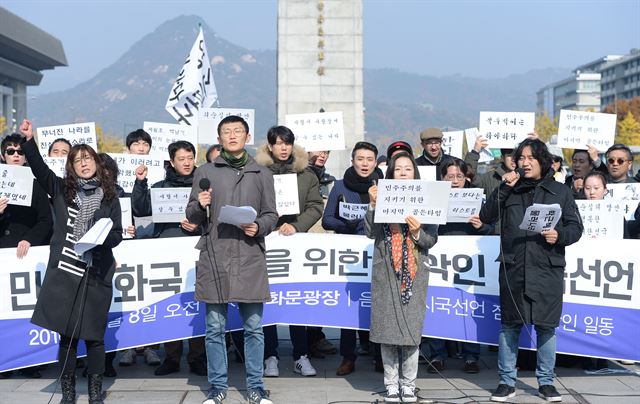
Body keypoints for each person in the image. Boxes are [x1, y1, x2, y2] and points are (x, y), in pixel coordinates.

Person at [20, 119, 123, 404]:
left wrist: (100, 239)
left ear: (96, 163)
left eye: (87, 158)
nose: (83, 164)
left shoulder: (110, 196)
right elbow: (40, 170)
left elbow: (116, 234)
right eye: (77, 161)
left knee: (95, 336)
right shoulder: (62, 191)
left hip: (97, 271)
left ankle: (94, 393)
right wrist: (29, 142)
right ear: (71, 167)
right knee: (68, 335)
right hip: (67, 271)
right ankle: (67, 392)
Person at [480, 138, 583, 403]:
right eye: (521, 158)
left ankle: (546, 382)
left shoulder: (560, 191)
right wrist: (503, 189)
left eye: (530, 158)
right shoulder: (510, 189)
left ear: (543, 161)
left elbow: (576, 228)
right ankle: (506, 382)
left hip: (547, 268)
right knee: (509, 327)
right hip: (514, 267)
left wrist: (559, 235)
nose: (525, 163)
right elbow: (487, 216)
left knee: (546, 328)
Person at [186, 115, 277, 404]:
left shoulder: (261, 173)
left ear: (247, 136)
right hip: (216, 253)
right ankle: (217, 387)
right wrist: (200, 206)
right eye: (227, 132)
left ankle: (255, 386)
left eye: (238, 131)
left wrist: (259, 227)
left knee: (253, 326)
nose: (233, 135)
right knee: (214, 327)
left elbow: (271, 214)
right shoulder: (206, 171)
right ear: (219, 138)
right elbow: (191, 214)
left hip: (249, 254)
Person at [365, 152, 438, 403]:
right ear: (391, 174)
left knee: (410, 334)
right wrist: (373, 205)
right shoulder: (381, 198)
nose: (403, 173)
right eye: (398, 170)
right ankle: (391, 384)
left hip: (415, 276)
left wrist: (418, 232)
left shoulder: (427, 200)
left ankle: (408, 384)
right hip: (386, 273)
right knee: (388, 333)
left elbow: (431, 240)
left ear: (415, 174)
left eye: (408, 169)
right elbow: (370, 232)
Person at [131, 140, 206, 376]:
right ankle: (172, 357)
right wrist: (140, 182)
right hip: (168, 253)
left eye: (190, 157)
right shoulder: (161, 187)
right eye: (181, 158)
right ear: (172, 162)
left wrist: (197, 224)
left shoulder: (203, 186)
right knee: (170, 304)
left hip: (196, 249)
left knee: (197, 304)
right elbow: (141, 210)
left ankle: (197, 357)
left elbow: (215, 216)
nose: (186, 162)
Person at [255, 125, 323, 377]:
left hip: (295, 243)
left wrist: (296, 225)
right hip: (267, 241)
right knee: (268, 300)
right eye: (278, 143)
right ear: (270, 146)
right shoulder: (256, 172)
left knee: (296, 300)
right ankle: (270, 355)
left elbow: (316, 206)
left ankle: (300, 355)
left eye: (287, 143)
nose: (283, 148)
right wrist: (268, 220)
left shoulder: (306, 173)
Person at [424, 158, 493, 375]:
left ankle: (472, 356)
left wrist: (481, 226)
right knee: (438, 306)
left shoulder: (477, 199)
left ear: (466, 178)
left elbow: (493, 229)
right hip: (440, 262)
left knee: (469, 308)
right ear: (442, 178)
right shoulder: (433, 198)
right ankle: (437, 355)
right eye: (449, 177)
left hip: (469, 261)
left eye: (459, 177)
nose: (455, 181)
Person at [322, 141, 383, 376]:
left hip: (376, 250)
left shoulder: (384, 186)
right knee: (349, 306)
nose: (365, 164)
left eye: (369, 159)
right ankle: (348, 357)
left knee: (377, 305)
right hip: (348, 251)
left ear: (375, 163)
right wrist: (346, 223)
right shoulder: (340, 186)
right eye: (360, 159)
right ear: (353, 160)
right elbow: (327, 220)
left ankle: (379, 356)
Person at [0, 133, 53, 379]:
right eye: (11, 151)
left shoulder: (34, 181)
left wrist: (30, 239)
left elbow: (46, 219)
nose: (16, 155)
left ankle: (30, 360)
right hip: (2, 254)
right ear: (3, 155)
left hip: (27, 254)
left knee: (27, 309)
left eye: (20, 152)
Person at [416, 128, 487, 180]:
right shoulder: (415, 165)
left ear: (441, 142)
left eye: (437, 143)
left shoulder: (453, 162)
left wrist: (475, 151)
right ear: (422, 145)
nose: (434, 147)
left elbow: (469, 174)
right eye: (429, 143)